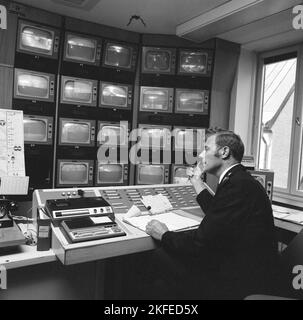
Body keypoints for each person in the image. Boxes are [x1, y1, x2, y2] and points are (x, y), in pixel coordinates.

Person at [145, 129, 279, 299]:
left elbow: (199, 244)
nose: (201, 154)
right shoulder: (240, 179)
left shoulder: (236, 185)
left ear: (224, 152)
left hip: (239, 280)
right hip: (246, 268)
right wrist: (196, 181)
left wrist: (164, 234)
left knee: (160, 256)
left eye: (206, 149)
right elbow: (218, 211)